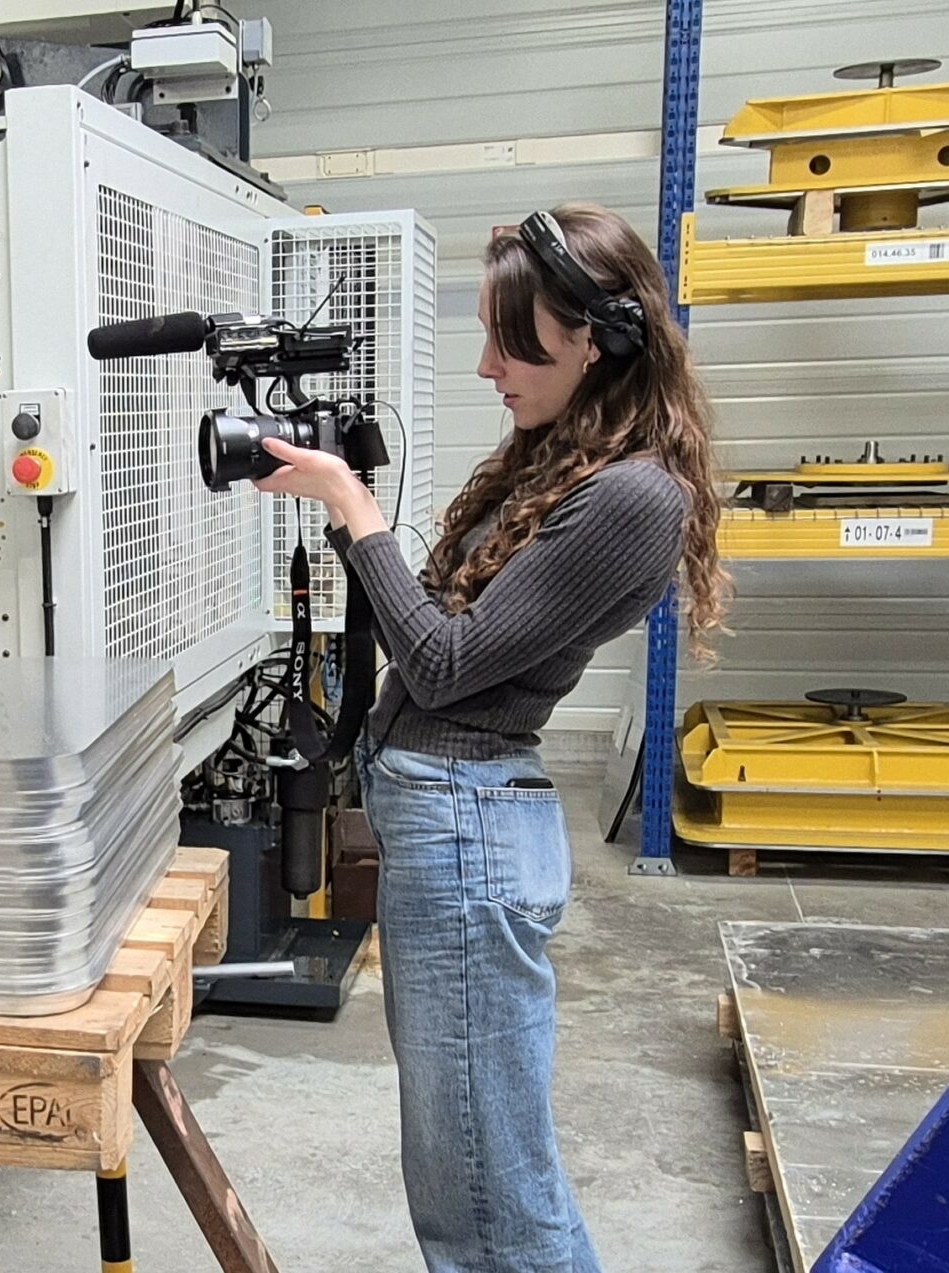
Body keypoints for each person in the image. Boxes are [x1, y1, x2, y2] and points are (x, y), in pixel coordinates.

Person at [252, 203, 728, 1272]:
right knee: (463, 1170)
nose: (486, 367)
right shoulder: (562, 459)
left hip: (467, 832)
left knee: (487, 1184)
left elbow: (444, 663)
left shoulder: (631, 497)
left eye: (512, 344)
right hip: (448, 819)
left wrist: (352, 508)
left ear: (598, 340)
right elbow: (441, 627)